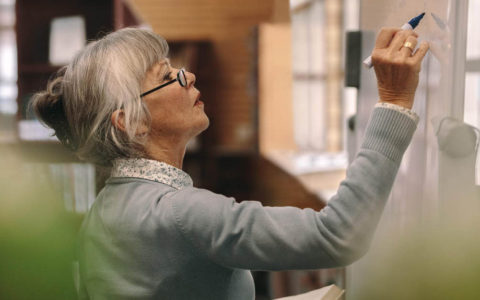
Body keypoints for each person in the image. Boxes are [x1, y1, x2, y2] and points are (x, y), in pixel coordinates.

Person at [32, 27, 428, 299]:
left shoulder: (104, 209)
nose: (187, 75)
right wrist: (393, 103)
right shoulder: (181, 213)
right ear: (132, 123)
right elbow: (337, 235)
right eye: (167, 76)